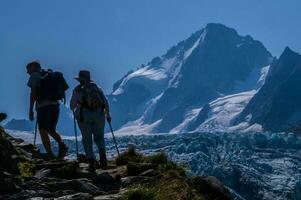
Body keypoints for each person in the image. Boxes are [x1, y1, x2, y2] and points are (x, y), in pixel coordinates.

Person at [70, 70, 111, 173]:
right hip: (99, 115)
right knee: (99, 137)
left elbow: (72, 106)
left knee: (87, 140)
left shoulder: (77, 90)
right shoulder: (97, 87)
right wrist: (108, 114)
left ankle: (92, 164)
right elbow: (105, 102)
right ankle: (103, 159)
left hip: (84, 116)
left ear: (79, 79)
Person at [26, 61, 68, 159]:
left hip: (43, 106)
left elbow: (33, 93)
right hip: (55, 105)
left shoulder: (34, 75)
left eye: (28, 69)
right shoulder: (49, 74)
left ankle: (49, 153)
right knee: (51, 129)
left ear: (33, 67)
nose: (27, 72)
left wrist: (31, 110)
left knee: (42, 129)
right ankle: (62, 145)